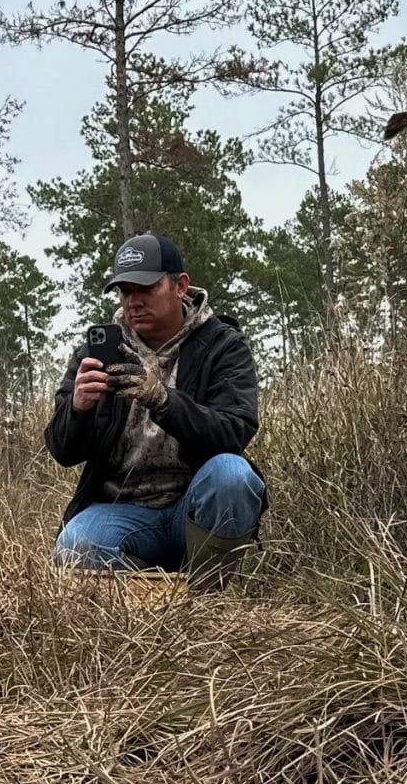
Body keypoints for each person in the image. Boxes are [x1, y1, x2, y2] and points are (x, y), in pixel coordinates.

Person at [45, 232, 266, 587]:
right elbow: (62, 451)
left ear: (180, 286)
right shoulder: (97, 352)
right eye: (125, 291)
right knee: (75, 544)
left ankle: (208, 596)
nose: (134, 301)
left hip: (192, 507)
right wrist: (78, 409)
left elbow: (234, 430)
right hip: (120, 509)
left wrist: (163, 401)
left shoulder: (223, 345)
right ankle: (152, 601)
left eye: (146, 289)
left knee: (233, 475)